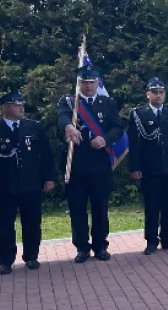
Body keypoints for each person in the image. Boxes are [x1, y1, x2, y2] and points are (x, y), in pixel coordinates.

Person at [0, 90, 55, 274]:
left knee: (32, 222)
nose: (21, 107)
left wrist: (49, 178)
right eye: (16, 104)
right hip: (5, 186)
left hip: (30, 183)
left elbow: (46, 155)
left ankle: (31, 256)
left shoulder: (34, 127)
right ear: (5, 108)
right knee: (4, 224)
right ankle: (5, 260)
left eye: (22, 104)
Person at [56, 64, 123, 263]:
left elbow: (118, 128)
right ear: (79, 83)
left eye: (91, 82)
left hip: (100, 165)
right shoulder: (69, 102)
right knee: (77, 208)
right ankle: (82, 248)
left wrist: (106, 139)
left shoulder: (107, 103)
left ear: (97, 83)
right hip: (76, 166)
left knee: (100, 207)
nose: (88, 86)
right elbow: (61, 118)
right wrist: (68, 126)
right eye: (84, 82)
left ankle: (101, 246)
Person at [127, 78, 168, 255]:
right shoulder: (138, 114)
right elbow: (134, 143)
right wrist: (134, 167)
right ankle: (151, 240)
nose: (158, 95)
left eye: (161, 92)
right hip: (149, 169)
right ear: (147, 94)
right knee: (151, 206)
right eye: (154, 92)